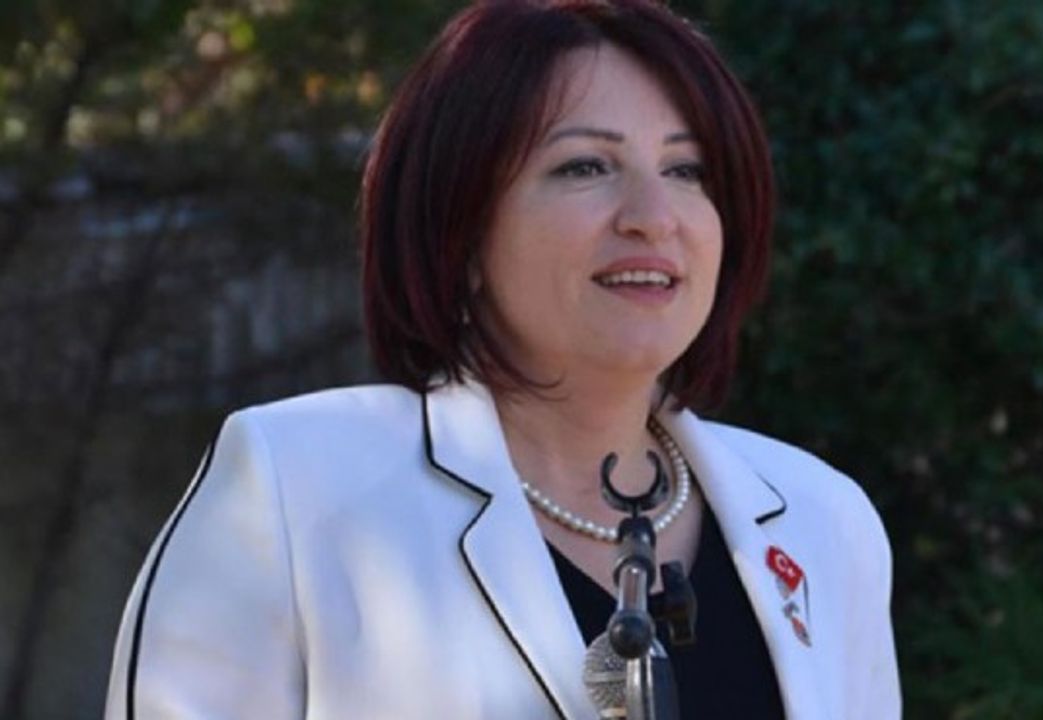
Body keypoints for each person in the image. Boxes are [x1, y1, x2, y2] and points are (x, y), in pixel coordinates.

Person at [104, 1, 900, 717]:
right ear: (460, 228)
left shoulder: (824, 521)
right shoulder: (296, 486)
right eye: (585, 166)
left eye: (686, 171)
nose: (655, 217)